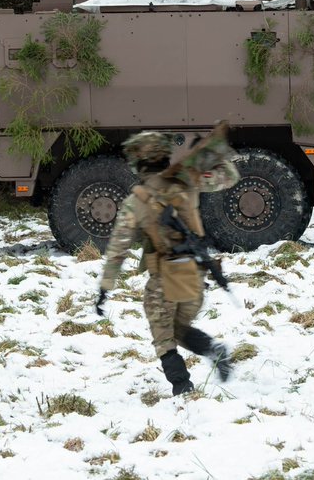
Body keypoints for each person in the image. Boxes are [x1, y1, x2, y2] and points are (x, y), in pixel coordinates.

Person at [97, 128, 240, 396]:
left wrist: (105, 287)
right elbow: (230, 177)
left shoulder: (135, 202)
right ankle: (214, 350)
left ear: (139, 163)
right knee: (179, 329)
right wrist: (211, 158)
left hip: (164, 277)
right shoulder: (189, 181)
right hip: (195, 275)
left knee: (164, 337)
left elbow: (118, 249)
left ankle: (182, 387)